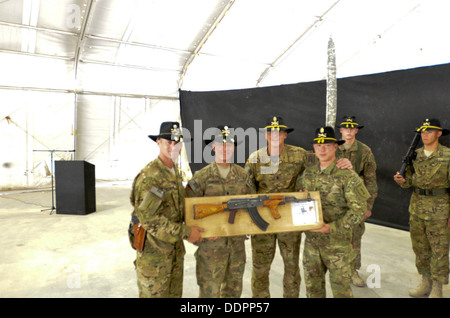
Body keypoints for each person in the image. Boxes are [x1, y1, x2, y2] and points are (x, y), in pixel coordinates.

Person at [244, 116, 353, 298]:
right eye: (272, 132)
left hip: (290, 221)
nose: (276, 135)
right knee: (260, 268)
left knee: (291, 266)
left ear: (285, 134)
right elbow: (247, 192)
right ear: (266, 135)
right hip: (263, 222)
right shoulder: (255, 159)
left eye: (280, 131)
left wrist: (344, 161)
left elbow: (324, 157)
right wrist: (247, 222)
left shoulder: (300, 155)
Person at [129, 121, 204, 298]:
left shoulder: (174, 172)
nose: (173, 146)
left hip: (174, 254)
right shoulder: (151, 177)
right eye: (168, 142)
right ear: (158, 142)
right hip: (155, 259)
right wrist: (186, 232)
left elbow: (180, 208)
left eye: (177, 142)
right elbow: (149, 220)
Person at [295, 126, 370, 298]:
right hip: (312, 245)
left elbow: (359, 210)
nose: (322, 149)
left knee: (341, 292)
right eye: (318, 145)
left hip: (339, 246)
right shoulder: (308, 174)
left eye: (327, 145)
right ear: (313, 148)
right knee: (313, 290)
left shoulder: (348, 176)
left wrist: (332, 228)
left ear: (336, 147)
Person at [186, 125, 255, 298]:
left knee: (233, 292)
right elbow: (188, 211)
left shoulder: (242, 176)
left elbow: (252, 204)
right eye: (221, 145)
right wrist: (200, 236)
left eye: (229, 145)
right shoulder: (201, 177)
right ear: (213, 147)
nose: (225, 149)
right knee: (210, 293)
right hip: (211, 248)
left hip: (236, 247)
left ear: (233, 148)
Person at [393, 118, 449, 298]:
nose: (425, 135)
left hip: (439, 210)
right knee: (420, 248)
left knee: (439, 250)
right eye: (423, 132)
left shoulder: (448, 155)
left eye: (429, 131)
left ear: (439, 133)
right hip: (417, 209)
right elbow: (409, 181)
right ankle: (426, 282)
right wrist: (402, 181)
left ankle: (437, 288)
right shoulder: (414, 154)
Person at [337, 116, 378, 287]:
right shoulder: (333, 148)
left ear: (356, 130)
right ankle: (337, 268)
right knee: (335, 235)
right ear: (340, 130)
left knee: (355, 237)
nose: (348, 131)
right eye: (345, 128)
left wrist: (368, 206)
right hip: (336, 199)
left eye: (351, 128)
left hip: (356, 200)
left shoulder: (365, 151)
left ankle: (353, 270)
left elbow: (370, 180)